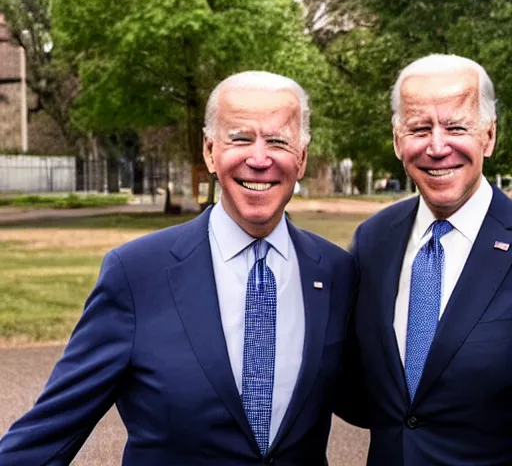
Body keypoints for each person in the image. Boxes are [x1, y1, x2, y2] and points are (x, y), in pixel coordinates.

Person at [0, 71, 357, 465]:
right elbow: (51, 431)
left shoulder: (336, 273)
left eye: (278, 141)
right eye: (240, 138)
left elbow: (381, 402)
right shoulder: (136, 274)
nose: (259, 158)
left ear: (302, 158)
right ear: (209, 151)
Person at [348, 53, 512, 465]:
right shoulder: (373, 241)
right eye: (420, 128)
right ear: (397, 138)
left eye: (456, 127)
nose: (437, 147)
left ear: (489, 136)